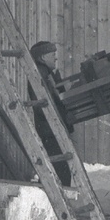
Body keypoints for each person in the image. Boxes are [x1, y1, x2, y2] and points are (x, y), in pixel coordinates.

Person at [28, 41, 74, 186]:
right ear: (42, 57)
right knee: (60, 171)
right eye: (52, 54)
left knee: (60, 170)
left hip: (51, 128)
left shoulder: (46, 74)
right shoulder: (40, 75)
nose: (55, 57)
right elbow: (43, 105)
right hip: (50, 130)